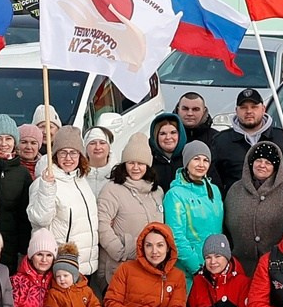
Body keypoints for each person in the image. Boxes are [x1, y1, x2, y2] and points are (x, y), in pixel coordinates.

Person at [28, 133, 102, 281]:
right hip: (62, 267)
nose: (68, 158)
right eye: (63, 152)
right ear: (55, 155)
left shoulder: (81, 180)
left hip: (85, 265)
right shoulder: (44, 182)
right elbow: (40, 220)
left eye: (73, 152)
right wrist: (47, 188)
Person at [95, 133, 166, 281]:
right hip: (119, 266)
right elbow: (101, 224)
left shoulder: (157, 192)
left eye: (141, 163)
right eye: (131, 162)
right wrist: (120, 251)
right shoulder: (112, 190)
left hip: (151, 264)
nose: (135, 168)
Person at [225, 139, 283, 270]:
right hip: (240, 267)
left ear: (275, 167)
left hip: (277, 268)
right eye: (258, 160)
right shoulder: (235, 190)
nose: (262, 165)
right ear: (251, 163)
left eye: (268, 163)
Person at [165, 140, 227, 276]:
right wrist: (197, 267)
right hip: (190, 270)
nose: (201, 164)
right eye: (196, 159)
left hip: (215, 266)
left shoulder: (214, 191)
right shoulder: (175, 194)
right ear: (187, 162)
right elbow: (176, 236)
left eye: (206, 160)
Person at [212, 87, 283, 190]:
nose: (249, 111)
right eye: (243, 107)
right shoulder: (221, 141)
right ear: (236, 111)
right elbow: (213, 180)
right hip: (235, 198)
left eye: (254, 107)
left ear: (263, 109)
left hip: (276, 198)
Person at [0, 118, 35, 263]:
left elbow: (24, 215)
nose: (4, 144)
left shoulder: (22, 173)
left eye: (8, 139)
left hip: (11, 245)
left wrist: (23, 247)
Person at [145, 112, 185, 188]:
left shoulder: (189, 158)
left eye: (173, 133)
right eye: (163, 134)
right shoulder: (148, 160)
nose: (168, 137)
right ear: (156, 136)